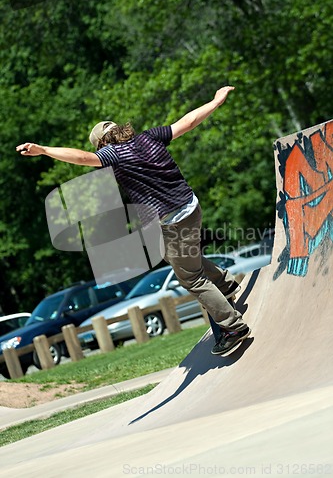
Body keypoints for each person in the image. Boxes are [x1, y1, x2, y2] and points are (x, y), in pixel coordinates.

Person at [16, 85, 250, 355]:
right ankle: (224, 282)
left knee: (192, 279)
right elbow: (188, 121)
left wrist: (44, 149)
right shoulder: (151, 136)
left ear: (102, 143)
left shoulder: (111, 155)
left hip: (174, 219)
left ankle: (232, 326)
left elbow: (81, 158)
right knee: (168, 253)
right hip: (191, 206)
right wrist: (215, 101)